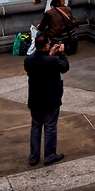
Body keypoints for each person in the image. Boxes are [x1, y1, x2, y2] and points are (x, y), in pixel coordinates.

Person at [23, 39, 68, 167]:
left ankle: (34, 157)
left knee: (36, 127)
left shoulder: (29, 60)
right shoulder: (53, 61)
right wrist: (61, 53)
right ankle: (49, 155)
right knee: (50, 127)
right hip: (50, 99)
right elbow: (65, 67)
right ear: (47, 45)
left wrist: (50, 55)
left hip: (35, 99)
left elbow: (40, 66)